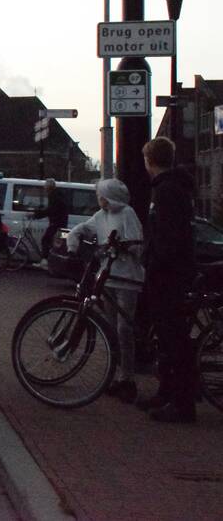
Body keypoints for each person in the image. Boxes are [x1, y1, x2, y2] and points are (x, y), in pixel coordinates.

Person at [66, 179, 144, 403]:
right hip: (108, 276)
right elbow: (84, 227)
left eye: (101, 195)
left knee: (123, 328)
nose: (98, 199)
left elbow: (138, 243)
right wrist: (73, 241)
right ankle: (117, 375)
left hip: (126, 277)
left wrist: (124, 247)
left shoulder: (127, 213)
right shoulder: (101, 216)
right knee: (111, 328)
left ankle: (128, 377)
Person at [138, 137, 198, 423]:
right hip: (172, 272)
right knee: (166, 338)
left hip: (168, 276)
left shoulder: (165, 192)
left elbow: (167, 237)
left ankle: (182, 403)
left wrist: (154, 262)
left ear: (150, 161)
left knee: (174, 340)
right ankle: (168, 391)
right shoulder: (173, 188)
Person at [33, 178, 69, 262]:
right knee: (56, 243)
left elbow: (51, 210)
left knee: (45, 240)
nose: (44, 188)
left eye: (45, 186)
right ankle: (51, 261)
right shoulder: (57, 194)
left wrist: (37, 215)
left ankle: (45, 261)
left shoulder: (54, 196)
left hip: (56, 224)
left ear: (49, 187)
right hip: (61, 224)